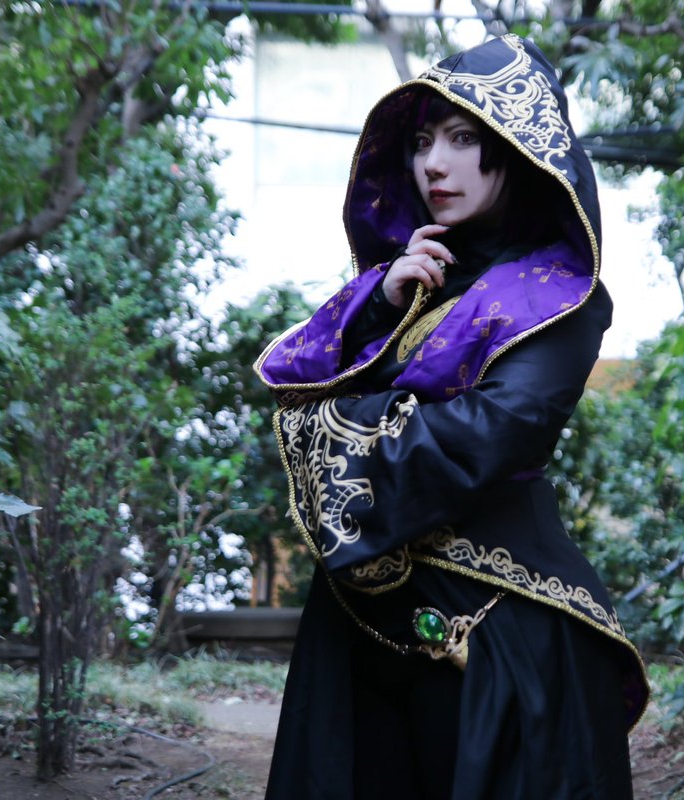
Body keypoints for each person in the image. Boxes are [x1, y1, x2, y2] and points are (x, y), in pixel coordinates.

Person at [255, 34, 649, 800]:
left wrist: (334, 432)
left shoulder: (562, 299)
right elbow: (299, 389)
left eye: (464, 139)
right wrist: (380, 305)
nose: (435, 163)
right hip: (358, 624)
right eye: (422, 142)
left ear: (517, 147)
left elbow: (489, 434)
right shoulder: (407, 282)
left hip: (497, 637)